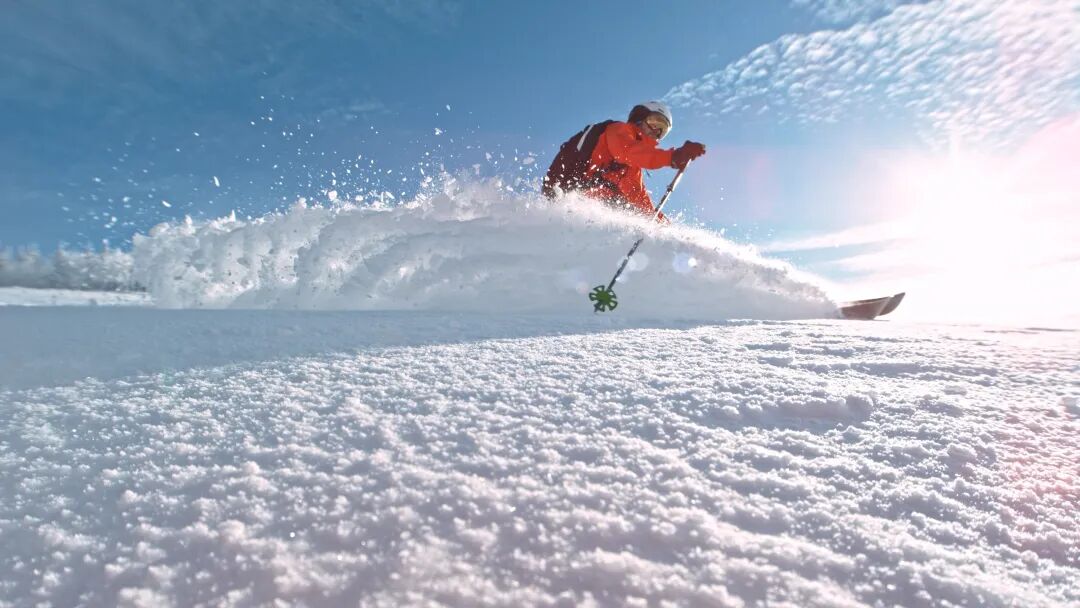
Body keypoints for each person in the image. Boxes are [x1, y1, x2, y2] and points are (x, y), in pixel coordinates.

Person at [542, 101, 706, 222]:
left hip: (586, 204)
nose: (656, 131)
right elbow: (628, 151)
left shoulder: (632, 168)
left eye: (662, 130)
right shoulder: (619, 130)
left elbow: (640, 199)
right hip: (565, 190)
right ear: (640, 117)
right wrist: (673, 157)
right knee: (618, 204)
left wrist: (662, 226)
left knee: (629, 208)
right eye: (655, 122)